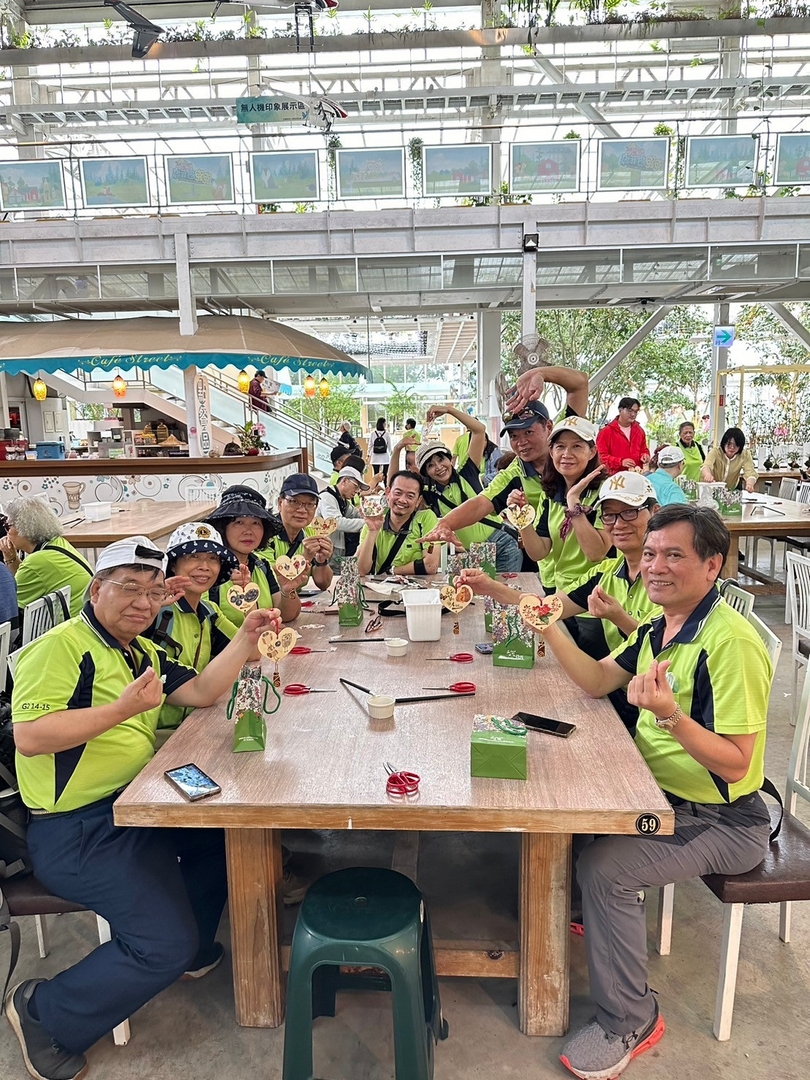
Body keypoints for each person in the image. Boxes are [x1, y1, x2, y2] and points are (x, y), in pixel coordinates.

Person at [5, 536, 282, 1080]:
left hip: (134, 805)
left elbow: (202, 691)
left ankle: (190, 949)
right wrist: (121, 709)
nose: (142, 603)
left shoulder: (141, 651)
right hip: (75, 830)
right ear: (96, 589)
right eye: (128, 588)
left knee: (217, 840)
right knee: (161, 945)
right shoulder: (60, 647)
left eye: (154, 593)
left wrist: (245, 637)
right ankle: (44, 1014)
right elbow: (30, 737)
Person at [529, 505, 773, 1080]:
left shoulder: (729, 643)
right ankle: (579, 923)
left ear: (712, 565)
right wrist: (548, 626)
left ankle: (630, 1019)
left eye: (674, 555)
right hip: (654, 794)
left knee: (604, 870)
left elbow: (738, 765)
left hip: (723, 818)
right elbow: (596, 681)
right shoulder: (657, 629)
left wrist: (669, 717)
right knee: (562, 794)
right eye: (651, 554)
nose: (655, 566)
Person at [460, 471, 661, 731]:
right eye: (609, 515)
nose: (618, 524)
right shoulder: (607, 573)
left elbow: (666, 648)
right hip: (623, 694)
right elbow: (547, 607)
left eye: (630, 512)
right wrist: (490, 587)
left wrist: (618, 617)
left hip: (658, 710)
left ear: (655, 512)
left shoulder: (666, 579)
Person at [421, 364, 589, 558]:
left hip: (595, 563)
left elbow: (580, 385)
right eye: (514, 436)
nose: (521, 442)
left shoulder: (566, 439)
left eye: (528, 432)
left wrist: (541, 373)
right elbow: (480, 503)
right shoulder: (514, 474)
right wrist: (445, 523)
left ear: (548, 427)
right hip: (551, 565)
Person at [508, 417, 611, 631]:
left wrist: (573, 503)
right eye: (560, 447)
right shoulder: (551, 494)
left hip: (596, 605)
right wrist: (522, 517)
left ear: (592, 452)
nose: (566, 454)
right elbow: (539, 552)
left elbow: (596, 553)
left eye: (577, 446)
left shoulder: (606, 494)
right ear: (551, 451)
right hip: (561, 597)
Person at [147, 522, 240, 740]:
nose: (204, 566)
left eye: (213, 558)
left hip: (194, 724)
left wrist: (248, 598)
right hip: (156, 734)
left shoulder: (209, 611)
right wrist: (151, 602)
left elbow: (250, 651)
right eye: (193, 557)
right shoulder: (155, 612)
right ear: (173, 565)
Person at [416, 404, 522, 572]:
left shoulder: (467, 472)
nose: (439, 467)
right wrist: (398, 449)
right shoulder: (430, 495)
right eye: (430, 465)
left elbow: (479, 430)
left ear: (449, 459)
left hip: (501, 545)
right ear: (426, 473)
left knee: (505, 589)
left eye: (441, 459)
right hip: (471, 554)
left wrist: (449, 410)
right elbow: (397, 485)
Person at [206, 485, 301, 625]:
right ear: (222, 528)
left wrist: (288, 590)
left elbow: (286, 615)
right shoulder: (210, 571)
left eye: (256, 523)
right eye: (239, 522)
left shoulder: (261, 566)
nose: (248, 531)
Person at [0, 496, 92, 619]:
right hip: (85, 615)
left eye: (7, 526)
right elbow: (24, 581)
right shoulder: (58, 542)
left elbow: (9, 603)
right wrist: (11, 557)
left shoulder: (37, 561)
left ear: (24, 528)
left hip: (72, 624)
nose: (6, 533)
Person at [357, 471, 441, 576]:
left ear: (418, 501)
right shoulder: (374, 522)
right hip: (382, 586)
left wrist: (392, 571)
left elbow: (430, 566)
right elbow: (360, 571)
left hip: (417, 586)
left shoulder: (426, 518)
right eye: (398, 493)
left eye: (410, 496)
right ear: (388, 493)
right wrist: (372, 531)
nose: (402, 500)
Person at [262, 474, 334, 593]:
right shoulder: (264, 536)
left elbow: (323, 584)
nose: (302, 510)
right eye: (294, 502)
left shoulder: (311, 533)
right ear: (280, 503)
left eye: (310, 504)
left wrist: (321, 561)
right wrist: (306, 557)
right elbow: (273, 583)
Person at [317, 465, 369, 565]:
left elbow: (355, 514)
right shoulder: (327, 497)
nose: (357, 491)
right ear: (344, 481)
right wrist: (366, 524)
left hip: (336, 551)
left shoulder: (343, 500)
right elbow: (336, 522)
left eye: (359, 488)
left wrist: (368, 515)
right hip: (325, 553)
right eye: (356, 486)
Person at [595, 397, 650, 474]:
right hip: (614, 477)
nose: (633, 414)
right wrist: (620, 462)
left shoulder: (639, 431)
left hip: (636, 475)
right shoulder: (606, 432)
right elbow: (600, 457)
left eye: (636, 411)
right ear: (620, 410)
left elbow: (643, 449)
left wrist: (645, 455)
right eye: (630, 410)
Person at [701, 426, 757, 492]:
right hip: (709, 488)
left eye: (736, 445)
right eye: (729, 444)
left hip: (729, 490)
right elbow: (706, 465)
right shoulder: (715, 452)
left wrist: (750, 484)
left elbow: (750, 472)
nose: (732, 447)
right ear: (724, 443)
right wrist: (707, 475)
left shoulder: (745, 454)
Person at [369, 417, 392, 482]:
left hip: (375, 457)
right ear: (383, 424)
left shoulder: (373, 434)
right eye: (385, 423)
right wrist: (390, 453)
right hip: (385, 457)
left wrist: (368, 454)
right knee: (385, 474)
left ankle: (375, 487)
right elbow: (389, 446)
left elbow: (370, 445)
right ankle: (386, 487)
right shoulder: (387, 434)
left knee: (376, 475)